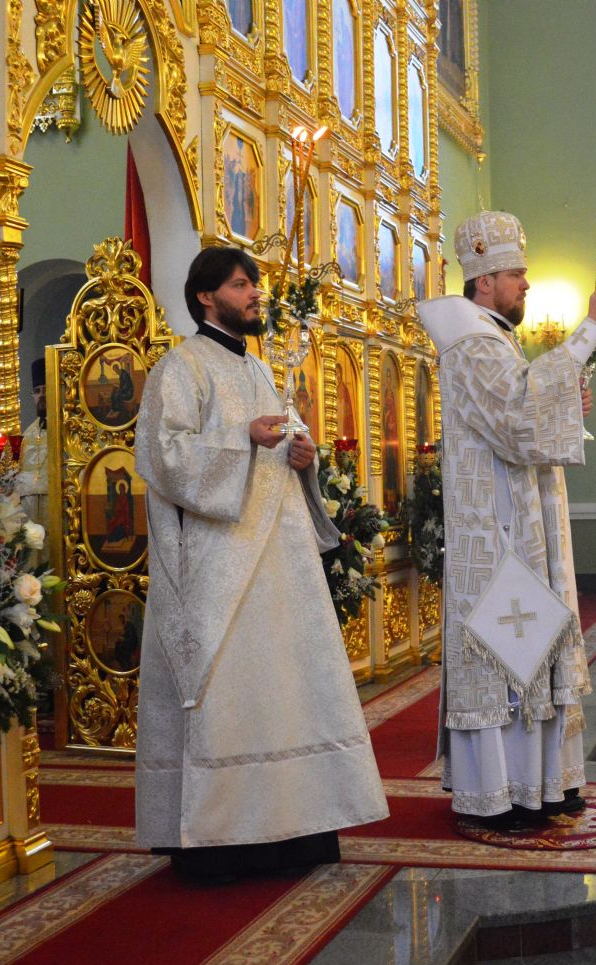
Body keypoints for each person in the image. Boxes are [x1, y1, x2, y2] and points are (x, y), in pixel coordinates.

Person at [133, 246, 387, 880]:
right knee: (229, 697)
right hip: (219, 567)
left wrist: (304, 459)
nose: (254, 295)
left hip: (281, 564)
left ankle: (296, 827)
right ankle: (223, 839)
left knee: (288, 691)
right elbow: (161, 456)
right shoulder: (180, 367)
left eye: (253, 285)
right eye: (241, 284)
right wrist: (240, 439)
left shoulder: (261, 371)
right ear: (206, 296)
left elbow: (285, 448)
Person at [418, 210, 596, 824]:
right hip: (496, 534)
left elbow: (529, 407)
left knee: (533, 645)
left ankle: (545, 781)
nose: (527, 284)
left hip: (523, 525)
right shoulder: (471, 342)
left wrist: (567, 398)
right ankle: (502, 790)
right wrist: (592, 324)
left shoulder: (494, 337)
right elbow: (517, 418)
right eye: (516, 275)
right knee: (506, 649)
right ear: (484, 281)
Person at [19, 357, 48, 526]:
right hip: (29, 513)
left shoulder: (69, 429)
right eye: (37, 391)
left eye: (46, 389)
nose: (41, 395)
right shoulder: (27, 435)